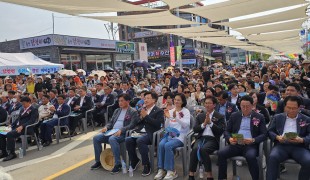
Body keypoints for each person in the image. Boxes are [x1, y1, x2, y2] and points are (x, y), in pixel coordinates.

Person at [217, 95, 267, 180]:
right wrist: (229, 138)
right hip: (236, 143)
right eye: (243, 106)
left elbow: (264, 134)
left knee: (251, 156)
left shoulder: (259, 117)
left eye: (247, 106)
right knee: (221, 153)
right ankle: (222, 178)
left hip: (250, 145)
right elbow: (226, 131)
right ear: (240, 106)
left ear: (252, 105)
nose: (245, 108)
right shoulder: (235, 115)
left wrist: (253, 140)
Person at [90, 94, 139, 173]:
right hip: (112, 131)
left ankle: (117, 164)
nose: (120, 103)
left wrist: (122, 130)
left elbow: (132, 125)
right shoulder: (117, 110)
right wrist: (106, 127)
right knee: (96, 138)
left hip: (123, 133)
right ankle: (98, 161)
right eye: (119, 101)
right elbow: (111, 122)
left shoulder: (133, 111)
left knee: (112, 139)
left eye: (122, 101)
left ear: (128, 101)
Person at [266, 96, 310, 180]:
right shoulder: (278, 117)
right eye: (288, 108)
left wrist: (302, 140)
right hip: (281, 146)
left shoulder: (306, 119)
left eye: (294, 108)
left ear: (299, 108)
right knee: (272, 158)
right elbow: (270, 131)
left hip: (299, 147)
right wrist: (277, 137)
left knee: (308, 161)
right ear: (285, 107)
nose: (291, 110)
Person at [126, 92, 164, 176]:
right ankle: (135, 160)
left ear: (154, 100)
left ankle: (146, 164)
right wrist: (140, 117)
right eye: (145, 98)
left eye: (148, 98)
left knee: (140, 141)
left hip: (151, 134)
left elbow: (159, 124)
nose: (145, 100)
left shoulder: (159, 111)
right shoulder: (142, 109)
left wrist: (146, 116)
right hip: (140, 132)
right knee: (128, 140)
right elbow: (136, 123)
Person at [188, 96, 226, 180]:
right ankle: (191, 174)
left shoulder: (220, 116)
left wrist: (211, 123)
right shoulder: (200, 116)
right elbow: (195, 129)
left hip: (213, 139)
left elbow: (220, 131)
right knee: (195, 149)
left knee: (203, 149)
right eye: (206, 103)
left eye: (209, 103)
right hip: (201, 138)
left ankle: (209, 174)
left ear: (214, 105)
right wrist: (204, 124)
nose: (207, 105)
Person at [154, 93, 190, 180]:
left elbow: (186, 125)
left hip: (181, 136)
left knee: (168, 145)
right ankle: (161, 169)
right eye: (175, 99)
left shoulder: (185, 111)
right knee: (161, 144)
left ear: (182, 102)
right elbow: (166, 127)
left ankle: (171, 171)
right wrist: (167, 118)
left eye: (179, 100)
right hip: (170, 135)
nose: (176, 101)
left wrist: (176, 117)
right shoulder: (170, 110)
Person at [0, 96, 39, 161]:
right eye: (22, 103)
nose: (23, 105)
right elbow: (18, 119)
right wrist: (11, 125)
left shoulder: (33, 109)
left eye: (24, 103)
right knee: (1, 132)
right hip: (17, 127)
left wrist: (22, 126)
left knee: (10, 134)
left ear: (29, 102)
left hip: (26, 128)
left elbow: (31, 121)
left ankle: (12, 153)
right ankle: (4, 152)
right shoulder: (22, 109)